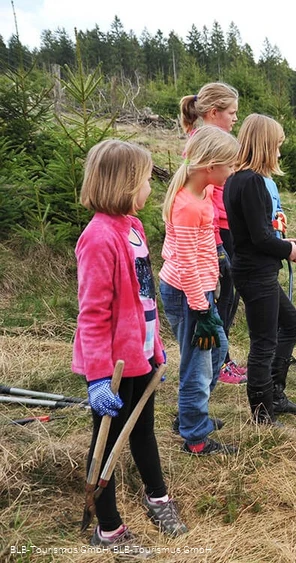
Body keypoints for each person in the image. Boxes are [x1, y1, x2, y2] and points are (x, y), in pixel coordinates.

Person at [73, 139, 188, 549]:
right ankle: (108, 528)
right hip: (113, 367)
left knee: (143, 431)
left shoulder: (133, 228)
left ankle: (157, 496)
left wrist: (155, 348)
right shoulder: (98, 237)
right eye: (144, 180)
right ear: (123, 183)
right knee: (106, 443)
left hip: (140, 357)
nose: (149, 189)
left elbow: (144, 297)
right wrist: (99, 377)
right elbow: (93, 314)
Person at [224, 114, 296, 424]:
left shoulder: (238, 179)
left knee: (291, 324)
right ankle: (262, 413)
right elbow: (259, 237)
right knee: (264, 342)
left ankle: (275, 394)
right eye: (277, 146)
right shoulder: (252, 182)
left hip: (257, 269)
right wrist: (288, 248)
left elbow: (255, 232)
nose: (280, 152)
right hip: (254, 272)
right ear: (265, 145)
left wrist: (283, 242)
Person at [159, 126, 239, 456]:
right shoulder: (187, 206)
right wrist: (202, 308)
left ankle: (190, 414)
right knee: (198, 365)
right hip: (189, 294)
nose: (231, 172)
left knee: (217, 353)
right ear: (210, 166)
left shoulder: (203, 195)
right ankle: (195, 435)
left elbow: (202, 245)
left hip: (201, 291)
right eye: (229, 166)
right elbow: (187, 263)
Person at [179, 82, 246, 385]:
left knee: (229, 296)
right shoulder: (203, 146)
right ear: (214, 112)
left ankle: (223, 358)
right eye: (231, 112)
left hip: (226, 226)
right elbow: (206, 196)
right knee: (221, 297)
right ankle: (219, 361)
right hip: (215, 230)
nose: (235, 118)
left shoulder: (220, 141)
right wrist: (219, 243)